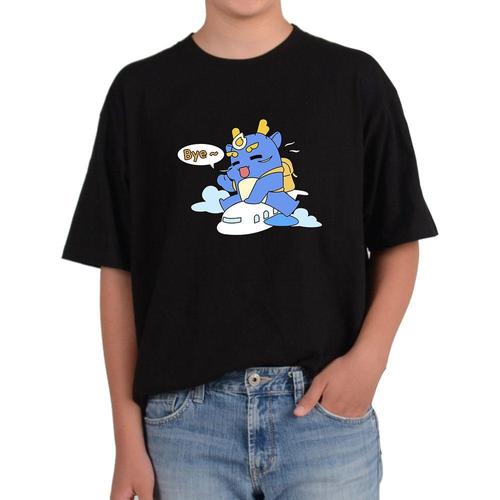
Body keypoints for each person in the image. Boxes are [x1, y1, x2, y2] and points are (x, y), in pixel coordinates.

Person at [62, 1, 438, 498]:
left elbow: (398, 239)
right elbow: (117, 272)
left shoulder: (355, 81)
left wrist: (369, 361)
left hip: (324, 417)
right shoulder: (139, 92)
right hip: (184, 429)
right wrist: (126, 438)